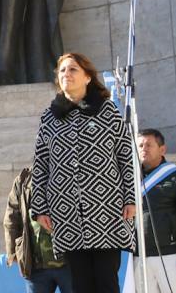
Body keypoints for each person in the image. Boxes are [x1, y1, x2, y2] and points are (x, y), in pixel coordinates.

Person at [31, 52, 135, 293]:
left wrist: (130, 197)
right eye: (62, 70)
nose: (66, 74)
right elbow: (41, 165)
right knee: (80, 285)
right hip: (66, 213)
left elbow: (126, 156)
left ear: (88, 77)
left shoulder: (108, 111)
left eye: (73, 69)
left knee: (106, 281)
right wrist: (40, 208)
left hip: (106, 210)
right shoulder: (49, 118)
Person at [124, 129, 176, 293]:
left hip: (172, 256)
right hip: (140, 257)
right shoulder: (128, 180)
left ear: (162, 149)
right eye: (140, 145)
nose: (143, 149)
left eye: (149, 145)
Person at [4, 166, 71, 292]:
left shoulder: (69, 173)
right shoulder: (24, 180)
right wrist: (13, 252)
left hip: (69, 264)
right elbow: (11, 218)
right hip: (36, 266)